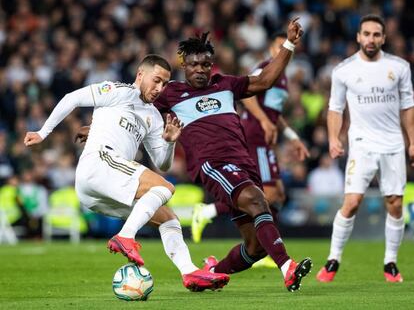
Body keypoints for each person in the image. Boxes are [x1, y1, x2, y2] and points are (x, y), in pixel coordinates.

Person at [24, 54, 229, 292]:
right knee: (166, 188)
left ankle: (190, 272)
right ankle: (126, 236)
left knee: (168, 217)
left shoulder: (152, 116)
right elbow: (72, 98)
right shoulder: (118, 90)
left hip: (99, 191)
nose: (159, 88)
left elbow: (162, 163)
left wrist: (171, 142)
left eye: (164, 83)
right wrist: (43, 132)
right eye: (156, 80)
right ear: (140, 75)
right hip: (100, 162)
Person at [154, 19, 312, 292]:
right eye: (194, 65)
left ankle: (211, 273)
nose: (201, 70)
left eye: (205, 64)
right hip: (212, 164)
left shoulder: (225, 84)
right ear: (184, 66)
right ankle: (288, 267)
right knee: (257, 200)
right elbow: (137, 105)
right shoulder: (171, 94)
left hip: (243, 162)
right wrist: (98, 127)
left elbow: (264, 80)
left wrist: (289, 44)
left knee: (256, 247)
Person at [191, 33, 310, 269]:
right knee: (269, 194)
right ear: (271, 48)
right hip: (254, 137)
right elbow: (248, 98)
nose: (282, 51)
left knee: (278, 194)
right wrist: (264, 121)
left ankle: (265, 246)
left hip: (265, 140)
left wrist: (292, 137)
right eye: (278, 46)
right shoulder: (265, 68)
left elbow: (276, 115)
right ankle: (210, 212)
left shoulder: (283, 79)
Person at [316, 14, 414, 283]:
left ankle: (390, 264)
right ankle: (333, 259)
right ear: (358, 37)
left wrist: (412, 140)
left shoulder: (400, 67)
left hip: (393, 143)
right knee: (352, 202)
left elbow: (407, 107)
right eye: (366, 34)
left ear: (384, 38)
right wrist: (334, 138)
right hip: (361, 145)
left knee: (395, 204)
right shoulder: (343, 70)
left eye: (376, 34)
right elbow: (335, 108)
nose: (371, 39)